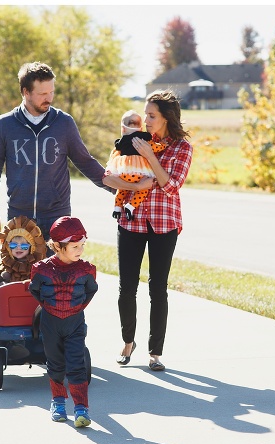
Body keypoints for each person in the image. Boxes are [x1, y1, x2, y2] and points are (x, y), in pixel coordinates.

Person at [101, 90, 193, 372]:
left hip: (164, 223)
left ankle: (155, 352)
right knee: (126, 286)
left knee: (158, 288)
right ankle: (128, 342)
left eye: (152, 116)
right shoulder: (135, 139)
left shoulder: (181, 148)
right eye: (146, 115)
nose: (146, 120)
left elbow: (171, 186)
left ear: (166, 118)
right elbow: (109, 176)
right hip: (131, 220)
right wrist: (135, 185)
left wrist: (149, 158)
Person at [0, 62, 111, 246]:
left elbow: (85, 162)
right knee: (19, 274)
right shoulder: (4, 125)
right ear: (26, 92)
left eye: (51, 92)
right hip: (20, 218)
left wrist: (119, 189)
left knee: (56, 275)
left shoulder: (64, 123)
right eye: (42, 94)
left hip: (57, 217)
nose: (49, 98)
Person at [29, 216, 98, 428]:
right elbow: (36, 291)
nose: (80, 250)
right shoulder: (40, 269)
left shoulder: (86, 270)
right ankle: (58, 402)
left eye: (82, 245)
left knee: (77, 364)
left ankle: (81, 409)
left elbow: (90, 291)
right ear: (58, 246)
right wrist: (52, 307)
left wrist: (74, 309)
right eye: (75, 246)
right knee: (56, 364)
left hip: (75, 323)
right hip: (50, 323)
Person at [105, 110, 166, 221]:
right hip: (139, 172)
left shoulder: (121, 142)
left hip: (124, 172)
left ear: (123, 129)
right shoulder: (143, 138)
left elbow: (114, 155)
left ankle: (117, 208)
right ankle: (131, 206)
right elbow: (154, 147)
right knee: (143, 190)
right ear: (141, 128)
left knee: (122, 189)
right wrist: (162, 146)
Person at [0, 215, 46, 287]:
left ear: (31, 247)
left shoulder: (36, 265)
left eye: (24, 246)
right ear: (8, 247)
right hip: (7, 296)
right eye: (13, 245)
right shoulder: (8, 263)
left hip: (27, 296)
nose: (18, 248)